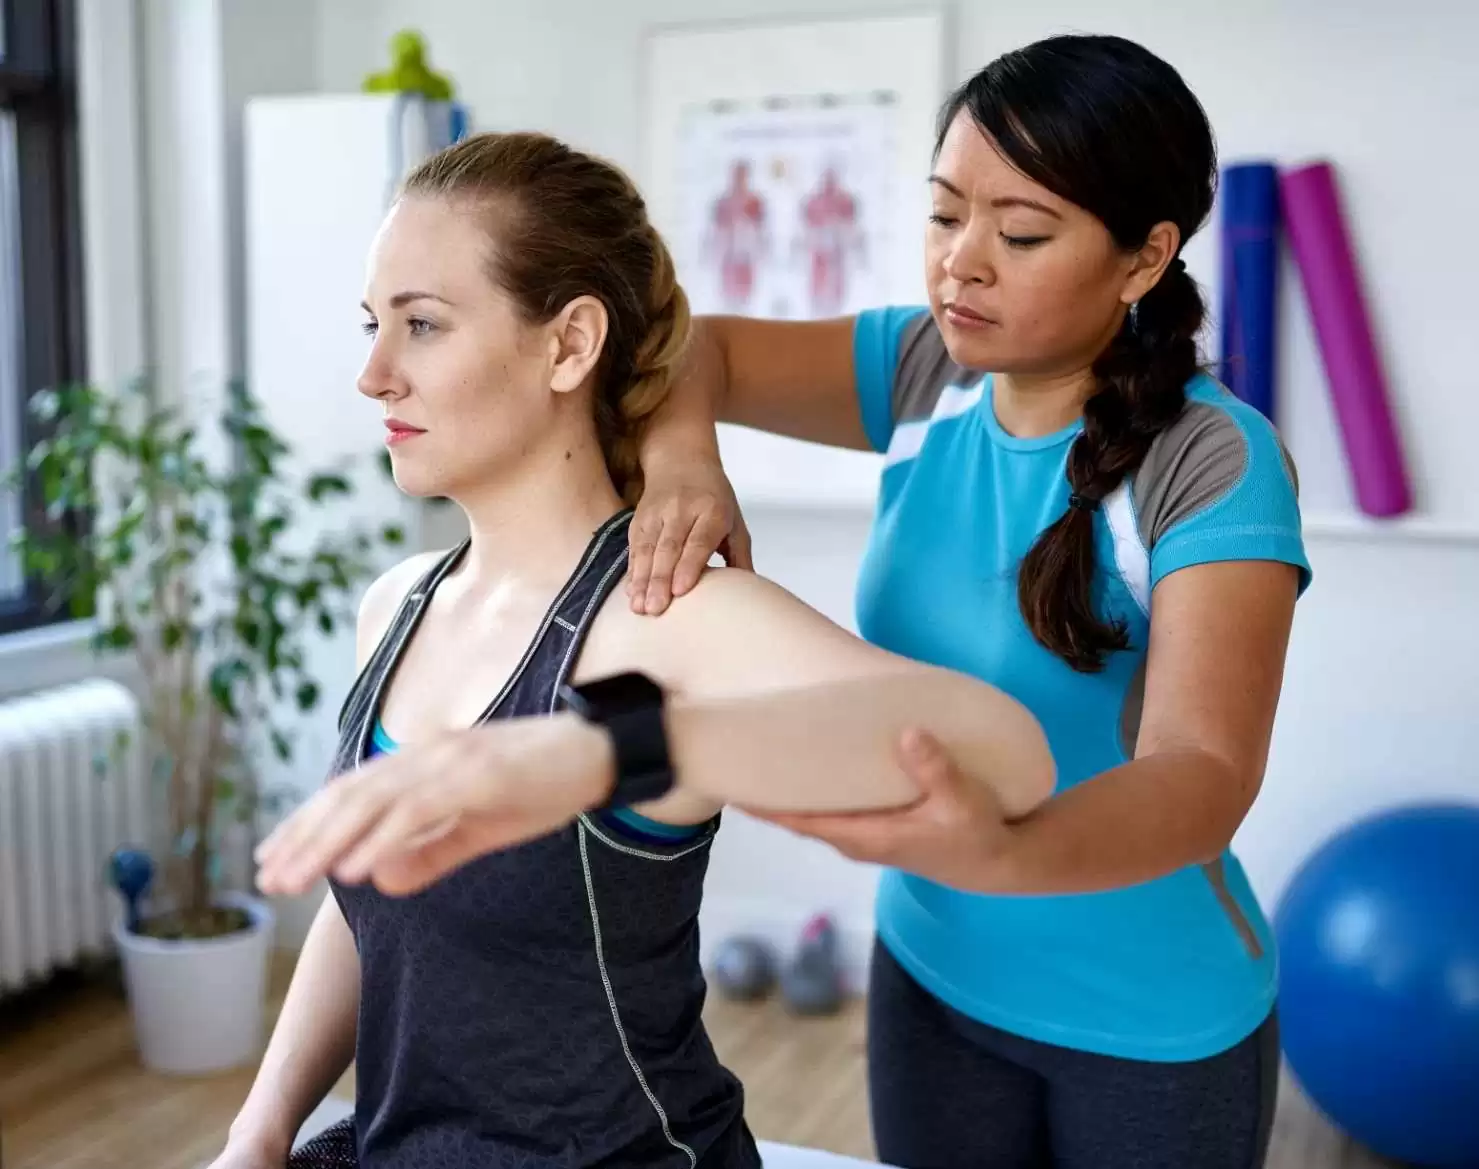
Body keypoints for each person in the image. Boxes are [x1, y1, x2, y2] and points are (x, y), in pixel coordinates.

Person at [259, 33, 1313, 1169]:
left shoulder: (1212, 460)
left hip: (1146, 1005)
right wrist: (685, 463)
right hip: (935, 971)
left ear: (1144, 256)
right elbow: (692, 349)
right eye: (943, 213)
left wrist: (1001, 852)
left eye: (1018, 234)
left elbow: (1202, 771)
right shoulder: (929, 371)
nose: (960, 263)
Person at [218, 130, 1051, 1169]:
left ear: (570, 345)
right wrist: (258, 1132)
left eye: (422, 325)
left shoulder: (666, 613)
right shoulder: (395, 605)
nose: (373, 374)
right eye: (371, 324)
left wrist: (609, 747)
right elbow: (373, 906)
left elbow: (1007, 756)